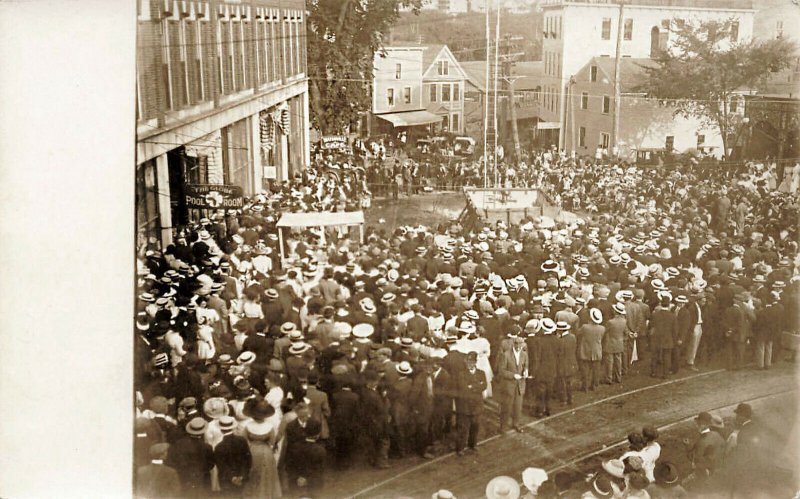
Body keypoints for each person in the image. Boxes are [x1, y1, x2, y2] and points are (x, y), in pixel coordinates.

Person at [241, 399, 281, 499]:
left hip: (252, 450)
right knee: (266, 472)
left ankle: (253, 494)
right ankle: (265, 494)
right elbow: (272, 442)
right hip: (266, 451)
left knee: (253, 472)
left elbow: (244, 441)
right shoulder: (269, 426)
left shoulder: (248, 426)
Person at [166, 417, 215, 497]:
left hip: (183, 478)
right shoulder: (207, 447)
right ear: (202, 431)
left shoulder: (177, 444)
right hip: (201, 479)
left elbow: (171, 461)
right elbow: (211, 464)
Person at [455, 351, 487, 456]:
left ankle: (472, 445)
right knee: (463, 428)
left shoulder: (481, 373)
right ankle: (460, 448)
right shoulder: (461, 374)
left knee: (475, 426)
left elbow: (484, 385)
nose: (469, 363)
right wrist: (477, 385)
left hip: (477, 406)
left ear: (475, 362)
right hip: (464, 407)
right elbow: (463, 387)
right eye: (468, 361)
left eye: (472, 361)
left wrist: (472, 386)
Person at [497, 331, 529, 431]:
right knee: (506, 407)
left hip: (520, 385)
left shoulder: (524, 354)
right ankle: (503, 426)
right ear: (513, 344)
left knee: (518, 407)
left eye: (521, 345)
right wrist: (513, 375)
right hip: (509, 385)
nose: (519, 347)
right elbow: (501, 371)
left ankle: (516, 424)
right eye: (517, 345)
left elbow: (526, 366)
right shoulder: (506, 355)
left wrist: (526, 371)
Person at [213, 416, 252, 498]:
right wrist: (242, 475)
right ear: (232, 427)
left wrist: (232, 478)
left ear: (221, 430)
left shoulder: (219, 447)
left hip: (227, 480)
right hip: (242, 477)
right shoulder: (242, 440)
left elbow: (221, 466)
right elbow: (248, 459)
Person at [577, 308, 605, 391]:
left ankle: (585, 386)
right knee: (596, 370)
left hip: (585, 351)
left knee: (585, 370)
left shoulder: (585, 327)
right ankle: (594, 385)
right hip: (597, 351)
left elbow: (578, 333)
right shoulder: (602, 328)